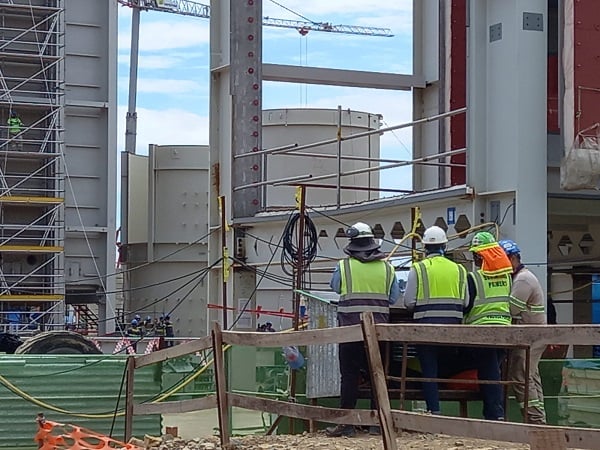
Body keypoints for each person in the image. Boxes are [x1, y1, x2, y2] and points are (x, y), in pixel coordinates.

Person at [326, 222, 400, 437]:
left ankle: (347, 425)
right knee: (377, 376)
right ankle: (378, 424)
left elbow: (335, 287)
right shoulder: (387, 268)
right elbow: (394, 297)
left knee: (349, 376)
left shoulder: (344, 266)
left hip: (350, 331)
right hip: (379, 332)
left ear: (352, 245)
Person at [403, 225, 469, 415]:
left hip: (426, 328)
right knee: (447, 368)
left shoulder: (418, 268)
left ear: (425, 248)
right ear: (445, 246)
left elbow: (409, 302)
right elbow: (465, 302)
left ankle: (435, 411)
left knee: (429, 371)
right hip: (453, 331)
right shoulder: (459, 270)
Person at [465, 231, 513, 421]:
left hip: (481, 331)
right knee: (494, 371)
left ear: (480, 256)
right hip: (504, 331)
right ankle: (493, 412)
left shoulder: (474, 278)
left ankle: (495, 414)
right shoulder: (508, 276)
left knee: (489, 374)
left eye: (475, 255)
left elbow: (466, 305)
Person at [499, 239, 546, 424]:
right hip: (531, 335)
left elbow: (511, 310)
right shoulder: (520, 278)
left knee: (521, 376)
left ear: (511, 258)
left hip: (530, 336)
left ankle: (534, 420)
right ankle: (538, 419)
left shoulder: (523, 280)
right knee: (530, 376)